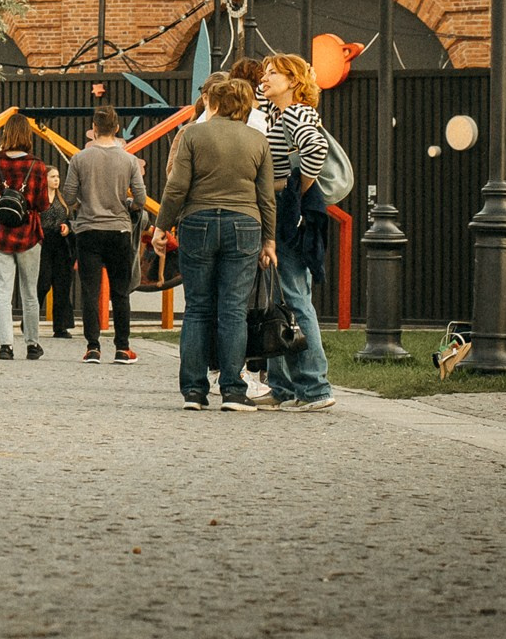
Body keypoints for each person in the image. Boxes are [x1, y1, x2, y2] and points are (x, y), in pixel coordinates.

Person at [154, 76, 276, 412]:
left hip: (197, 221)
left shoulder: (193, 134)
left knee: (197, 309)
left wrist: (161, 226)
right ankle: (234, 391)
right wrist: (269, 240)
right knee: (233, 310)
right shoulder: (257, 140)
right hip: (245, 224)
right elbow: (266, 197)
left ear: (215, 103)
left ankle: (194, 391)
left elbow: (176, 186)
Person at [260, 51, 336, 412]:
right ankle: (284, 385)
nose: (266, 77)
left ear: (293, 81)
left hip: (285, 209)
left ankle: (315, 387)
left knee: (293, 297)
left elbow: (315, 148)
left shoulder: (295, 112)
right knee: (281, 296)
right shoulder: (278, 112)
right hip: (281, 208)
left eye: (273, 73)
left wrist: (298, 191)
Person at [66, 107, 151, 366]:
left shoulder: (79, 158)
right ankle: (123, 348)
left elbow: (68, 197)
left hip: (88, 231)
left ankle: (93, 347)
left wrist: (84, 202)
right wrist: (127, 204)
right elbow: (141, 198)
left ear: (93, 127)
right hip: (119, 231)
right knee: (120, 292)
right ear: (117, 128)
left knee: (90, 292)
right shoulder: (127, 160)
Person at [0, 114, 54, 360]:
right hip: (28, 234)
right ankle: (32, 344)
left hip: (1, 233)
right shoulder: (37, 166)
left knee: (3, 293)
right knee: (29, 292)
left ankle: (6, 346)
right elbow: (43, 204)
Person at [37, 167, 77, 339]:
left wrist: (68, 227)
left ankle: (60, 326)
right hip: (43, 243)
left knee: (62, 285)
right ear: (44, 179)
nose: (56, 180)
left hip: (62, 244)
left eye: (58, 177)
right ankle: (29, 322)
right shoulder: (38, 199)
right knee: (42, 283)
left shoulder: (63, 199)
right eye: (52, 176)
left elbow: (70, 219)